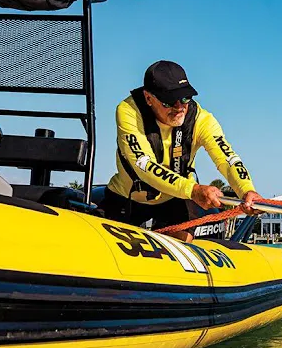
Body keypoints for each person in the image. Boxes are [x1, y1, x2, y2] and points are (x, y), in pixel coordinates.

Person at [100, 60, 260, 241]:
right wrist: (193, 190)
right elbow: (144, 166)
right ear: (148, 98)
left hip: (176, 199)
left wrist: (247, 191)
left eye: (185, 98)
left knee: (182, 240)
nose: (179, 107)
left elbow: (227, 159)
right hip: (127, 197)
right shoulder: (129, 111)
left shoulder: (202, 120)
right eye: (169, 101)